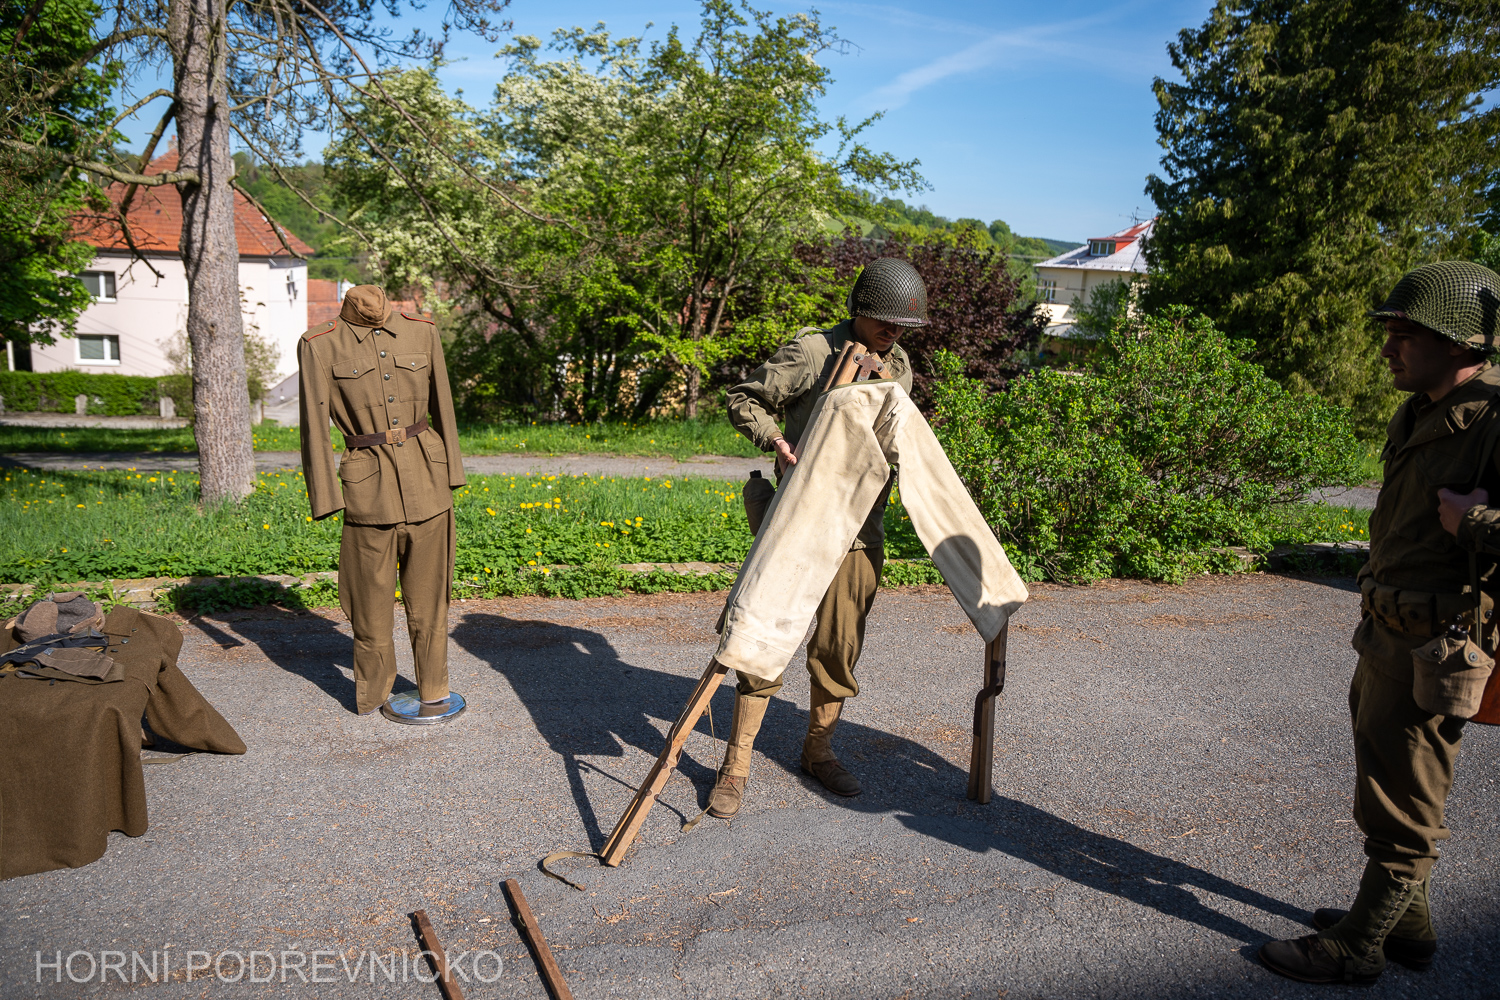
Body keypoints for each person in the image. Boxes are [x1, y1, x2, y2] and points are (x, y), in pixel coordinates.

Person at [1260, 260, 1500, 984]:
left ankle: (1359, 946)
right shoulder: (1423, 407)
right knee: (1384, 779)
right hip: (1390, 630)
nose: (1388, 347)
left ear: (1460, 342)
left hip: (1440, 642)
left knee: (1408, 800)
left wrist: (1477, 522)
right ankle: (1409, 928)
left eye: (1406, 334)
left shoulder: (1495, 418)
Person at [708, 258, 924, 818]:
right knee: (764, 638)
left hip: (860, 529)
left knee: (838, 647)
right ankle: (735, 765)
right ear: (860, 309)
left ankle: (818, 751)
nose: (894, 331)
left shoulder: (899, 365)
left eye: (903, 325)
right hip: (799, 522)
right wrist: (777, 442)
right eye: (885, 320)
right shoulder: (811, 351)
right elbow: (744, 398)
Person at [298, 285, 467, 717]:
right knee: (367, 606)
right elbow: (314, 425)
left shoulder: (422, 331)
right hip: (367, 492)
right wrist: (325, 496)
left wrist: (453, 470)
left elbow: (443, 404)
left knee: (431, 601)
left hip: (428, 481)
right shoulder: (319, 344)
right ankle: (373, 693)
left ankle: (434, 689)